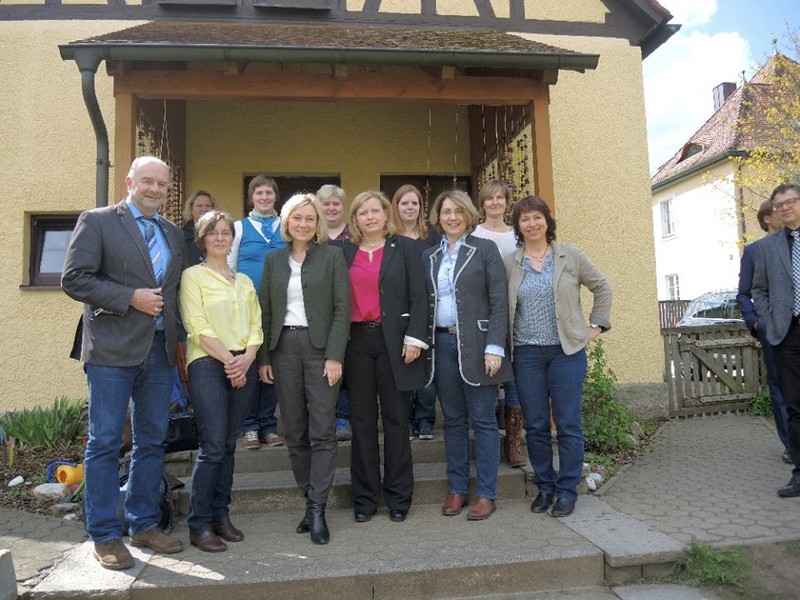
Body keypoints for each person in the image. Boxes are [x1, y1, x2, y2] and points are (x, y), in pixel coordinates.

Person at [62, 156, 185, 570]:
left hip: (160, 349)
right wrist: (130, 296)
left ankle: (144, 523)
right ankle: (105, 534)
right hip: (112, 350)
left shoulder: (171, 232)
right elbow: (75, 278)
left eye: (161, 184)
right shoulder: (97, 221)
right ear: (130, 181)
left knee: (152, 440)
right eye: (147, 181)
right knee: (105, 442)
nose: (154, 189)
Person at [506, 195, 611, 518]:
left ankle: (567, 490)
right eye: (525, 219)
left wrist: (596, 326)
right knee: (535, 425)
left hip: (566, 352)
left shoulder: (570, 256)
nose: (532, 224)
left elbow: (602, 287)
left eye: (537, 217)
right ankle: (545, 487)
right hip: (526, 353)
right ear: (518, 227)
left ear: (547, 221)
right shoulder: (511, 262)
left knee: (567, 423)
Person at [257, 193, 350, 544]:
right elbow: (265, 310)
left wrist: (335, 355)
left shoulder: (333, 257)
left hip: (320, 349)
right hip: (283, 351)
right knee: (294, 432)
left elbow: (343, 309)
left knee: (322, 431)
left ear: (318, 223)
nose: (304, 224)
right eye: (297, 218)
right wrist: (265, 358)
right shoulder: (273, 260)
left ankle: (318, 509)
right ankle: (308, 499)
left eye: (310, 219)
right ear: (286, 221)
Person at [342, 190, 429, 523]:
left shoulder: (405, 248)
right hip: (357, 343)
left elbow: (420, 296)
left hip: (397, 343)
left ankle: (398, 498)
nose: (370, 217)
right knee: (362, 421)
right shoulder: (344, 252)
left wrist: (416, 339)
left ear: (386, 214)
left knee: (396, 420)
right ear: (355, 218)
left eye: (375, 211)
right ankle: (364, 499)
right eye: (363, 212)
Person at [424, 189, 510, 521]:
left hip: (478, 345)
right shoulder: (430, 256)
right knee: (455, 421)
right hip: (442, 346)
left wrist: (494, 347)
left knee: (485, 421)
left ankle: (487, 494)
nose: (452, 217)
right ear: (439, 217)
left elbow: (499, 300)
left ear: (469, 214)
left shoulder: (484, 249)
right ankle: (458, 488)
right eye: (446, 211)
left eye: (458, 211)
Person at [178, 210, 262, 552]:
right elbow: (196, 326)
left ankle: (220, 516)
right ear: (203, 238)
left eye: (226, 232)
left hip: (244, 363)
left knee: (229, 444)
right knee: (212, 447)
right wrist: (231, 362)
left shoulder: (244, 281)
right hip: (209, 365)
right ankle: (198, 525)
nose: (220, 237)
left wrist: (247, 359)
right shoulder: (192, 277)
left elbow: (256, 325)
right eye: (213, 232)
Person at [228, 175, 287, 449]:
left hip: (280, 308)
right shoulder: (239, 228)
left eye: (269, 193)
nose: (264, 197)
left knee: (272, 365)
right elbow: (228, 267)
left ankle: (269, 425)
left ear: (276, 197)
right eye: (259, 193)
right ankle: (249, 426)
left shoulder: (286, 226)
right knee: (249, 366)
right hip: (246, 310)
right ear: (251, 197)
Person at [471, 179, 525, 468]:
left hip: (517, 311)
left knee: (513, 374)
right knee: (488, 372)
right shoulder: (474, 235)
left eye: (500, 198)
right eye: (489, 198)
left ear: (507, 202)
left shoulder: (518, 236)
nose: (494, 203)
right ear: (482, 203)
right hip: (485, 312)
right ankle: (487, 437)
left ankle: (514, 442)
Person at [752, 183, 800, 498]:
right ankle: (799, 474)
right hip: (788, 334)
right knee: (795, 407)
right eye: (779, 204)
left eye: (790, 201)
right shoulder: (768, 248)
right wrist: (770, 324)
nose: (784, 208)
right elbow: (758, 289)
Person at [737, 200, 790, 463]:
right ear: (767, 218)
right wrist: (757, 322)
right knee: (780, 387)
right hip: (773, 331)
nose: (785, 213)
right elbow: (744, 294)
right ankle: (791, 445)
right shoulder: (755, 251)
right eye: (779, 210)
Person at [391, 184, 441, 442]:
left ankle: (424, 419)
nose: (409, 208)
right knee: (403, 365)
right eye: (404, 203)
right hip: (397, 311)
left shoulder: (432, 237)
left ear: (420, 208)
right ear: (396, 207)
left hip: (427, 307)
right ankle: (407, 419)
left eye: (414, 203)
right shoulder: (389, 237)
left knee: (425, 367)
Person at [317, 184, 353, 442]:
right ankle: (323, 416)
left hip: (350, 308)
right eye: (326, 203)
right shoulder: (312, 234)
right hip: (319, 310)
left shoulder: (354, 235)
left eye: (336, 204)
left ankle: (343, 418)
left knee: (346, 365)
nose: (331, 208)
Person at [182, 190, 216, 267]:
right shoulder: (182, 235)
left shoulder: (220, 234)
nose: (204, 209)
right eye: (199, 206)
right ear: (191, 209)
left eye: (208, 206)